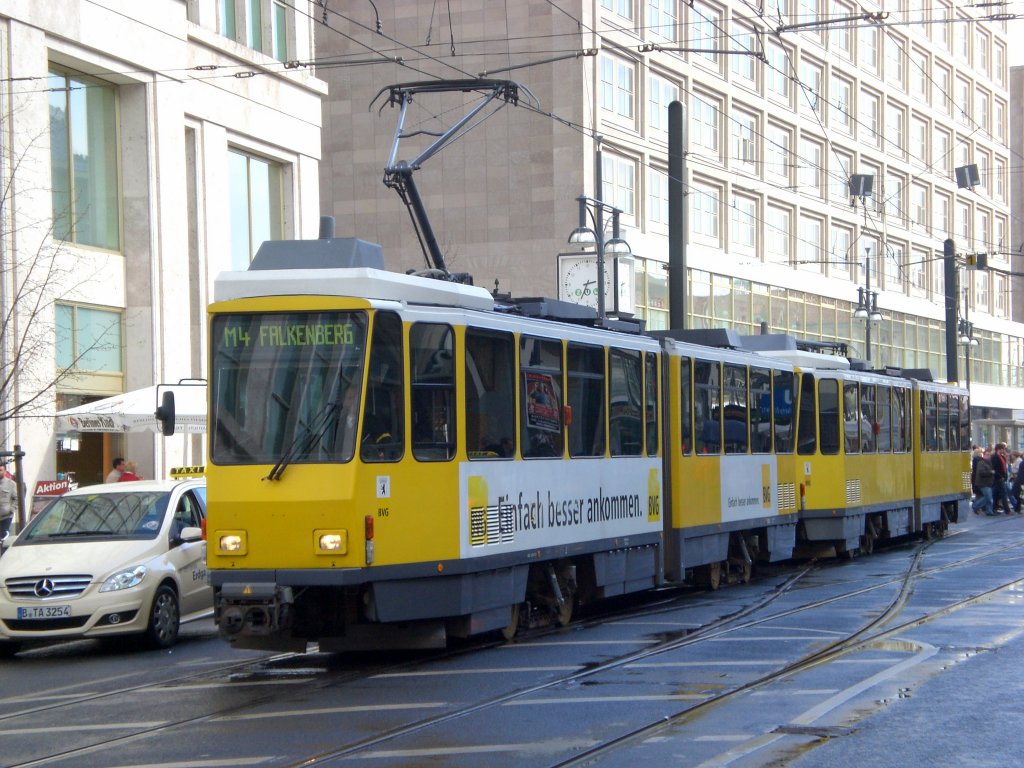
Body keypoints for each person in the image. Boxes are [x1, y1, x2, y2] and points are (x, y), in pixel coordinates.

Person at [971, 449, 996, 516]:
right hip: (983, 483)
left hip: (988, 483)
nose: (989, 456)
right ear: (984, 455)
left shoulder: (988, 462)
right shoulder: (981, 462)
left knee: (988, 497)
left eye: (989, 455)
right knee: (988, 497)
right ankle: (975, 506)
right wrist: (990, 472)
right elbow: (981, 473)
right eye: (987, 455)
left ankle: (989, 511)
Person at [990, 443, 1010, 513]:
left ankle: (994, 507)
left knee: (996, 494)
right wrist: (1000, 476)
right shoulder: (994, 457)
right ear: (999, 449)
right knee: (1004, 493)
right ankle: (1007, 510)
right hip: (998, 478)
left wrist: (1005, 476)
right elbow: (994, 468)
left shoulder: (1002, 456)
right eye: (1003, 449)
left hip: (1002, 478)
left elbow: (1004, 467)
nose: (1004, 450)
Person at [0, 467, 16, 541]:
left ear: (5, 471)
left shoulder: (11, 484)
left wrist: (12, 509)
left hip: (6, 516)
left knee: (4, 536)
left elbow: (16, 498)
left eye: (0, 470)